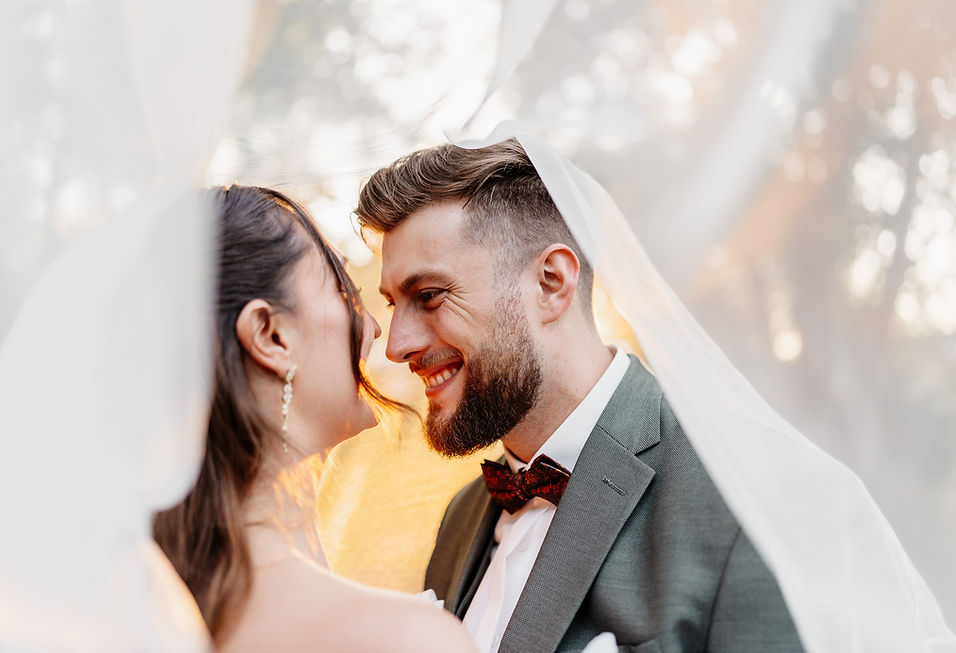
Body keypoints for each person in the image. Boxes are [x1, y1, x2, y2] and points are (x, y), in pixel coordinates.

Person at [355, 139, 806, 653]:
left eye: (429, 297)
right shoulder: (462, 518)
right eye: (393, 305)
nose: (397, 346)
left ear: (551, 283)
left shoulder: (738, 496)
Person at [152, 185, 476, 653]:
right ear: (271, 335)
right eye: (346, 291)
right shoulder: (402, 640)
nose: (378, 330)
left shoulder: (143, 600)